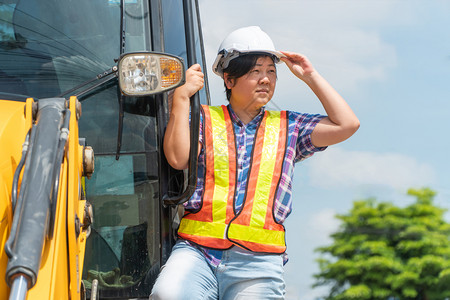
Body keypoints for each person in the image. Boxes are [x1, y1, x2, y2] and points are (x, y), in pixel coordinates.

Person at [151, 26, 360, 300]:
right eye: (255, 71)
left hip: (258, 263)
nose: (265, 79)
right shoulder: (204, 119)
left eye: (271, 72)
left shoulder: (290, 126)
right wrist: (180, 98)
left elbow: (347, 124)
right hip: (198, 251)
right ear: (229, 79)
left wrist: (310, 77)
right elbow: (178, 159)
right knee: (167, 294)